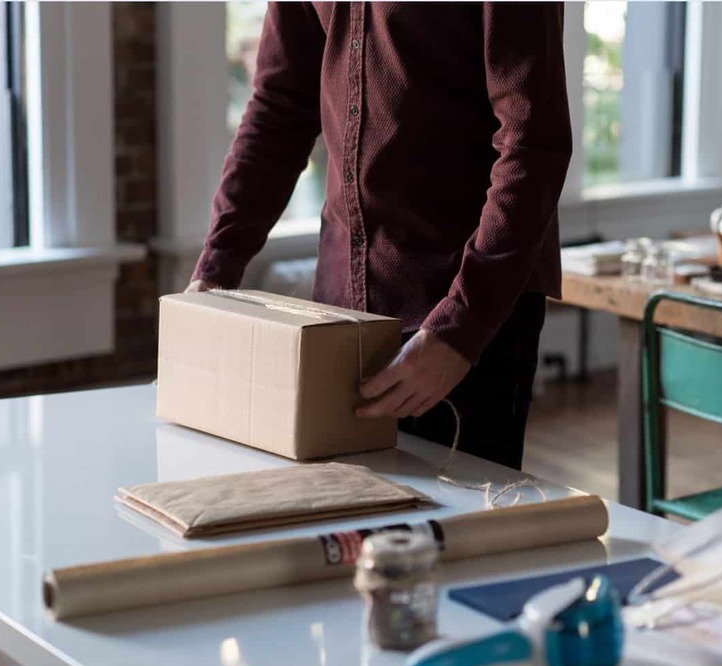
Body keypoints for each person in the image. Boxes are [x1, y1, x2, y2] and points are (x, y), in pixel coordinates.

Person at [187, 4, 572, 471]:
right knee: (342, 529)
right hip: (338, 310)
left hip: (464, 311)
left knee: (455, 535)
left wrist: (460, 329)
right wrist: (214, 271)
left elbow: (534, 141)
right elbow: (280, 107)